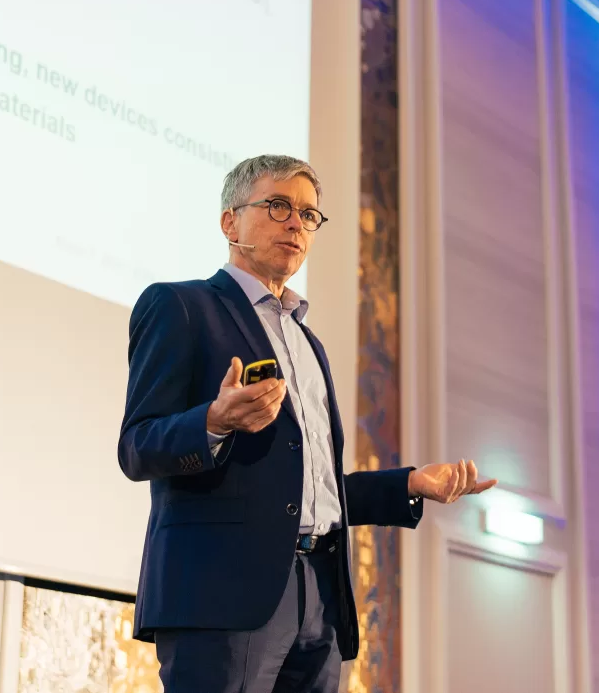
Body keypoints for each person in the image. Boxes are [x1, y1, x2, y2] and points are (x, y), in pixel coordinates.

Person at [118, 154, 497, 693]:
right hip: (224, 598)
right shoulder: (181, 306)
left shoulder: (307, 342)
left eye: (309, 214)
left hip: (320, 594)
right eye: (278, 206)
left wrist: (409, 483)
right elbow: (137, 446)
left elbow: (309, 489)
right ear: (231, 222)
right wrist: (214, 422)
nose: (296, 223)